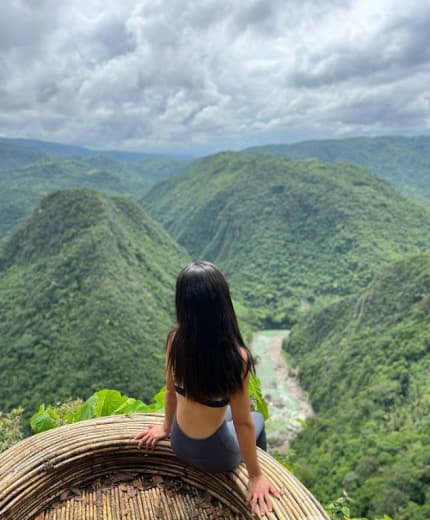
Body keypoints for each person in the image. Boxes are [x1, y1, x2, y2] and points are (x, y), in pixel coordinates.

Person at [134, 260, 280, 517]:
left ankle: (254, 469)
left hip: (178, 441)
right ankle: (260, 473)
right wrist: (254, 476)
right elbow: (244, 424)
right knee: (257, 418)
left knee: (224, 414)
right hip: (216, 455)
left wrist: (165, 429)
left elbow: (170, 392)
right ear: (222, 304)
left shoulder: (174, 340)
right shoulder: (237, 358)